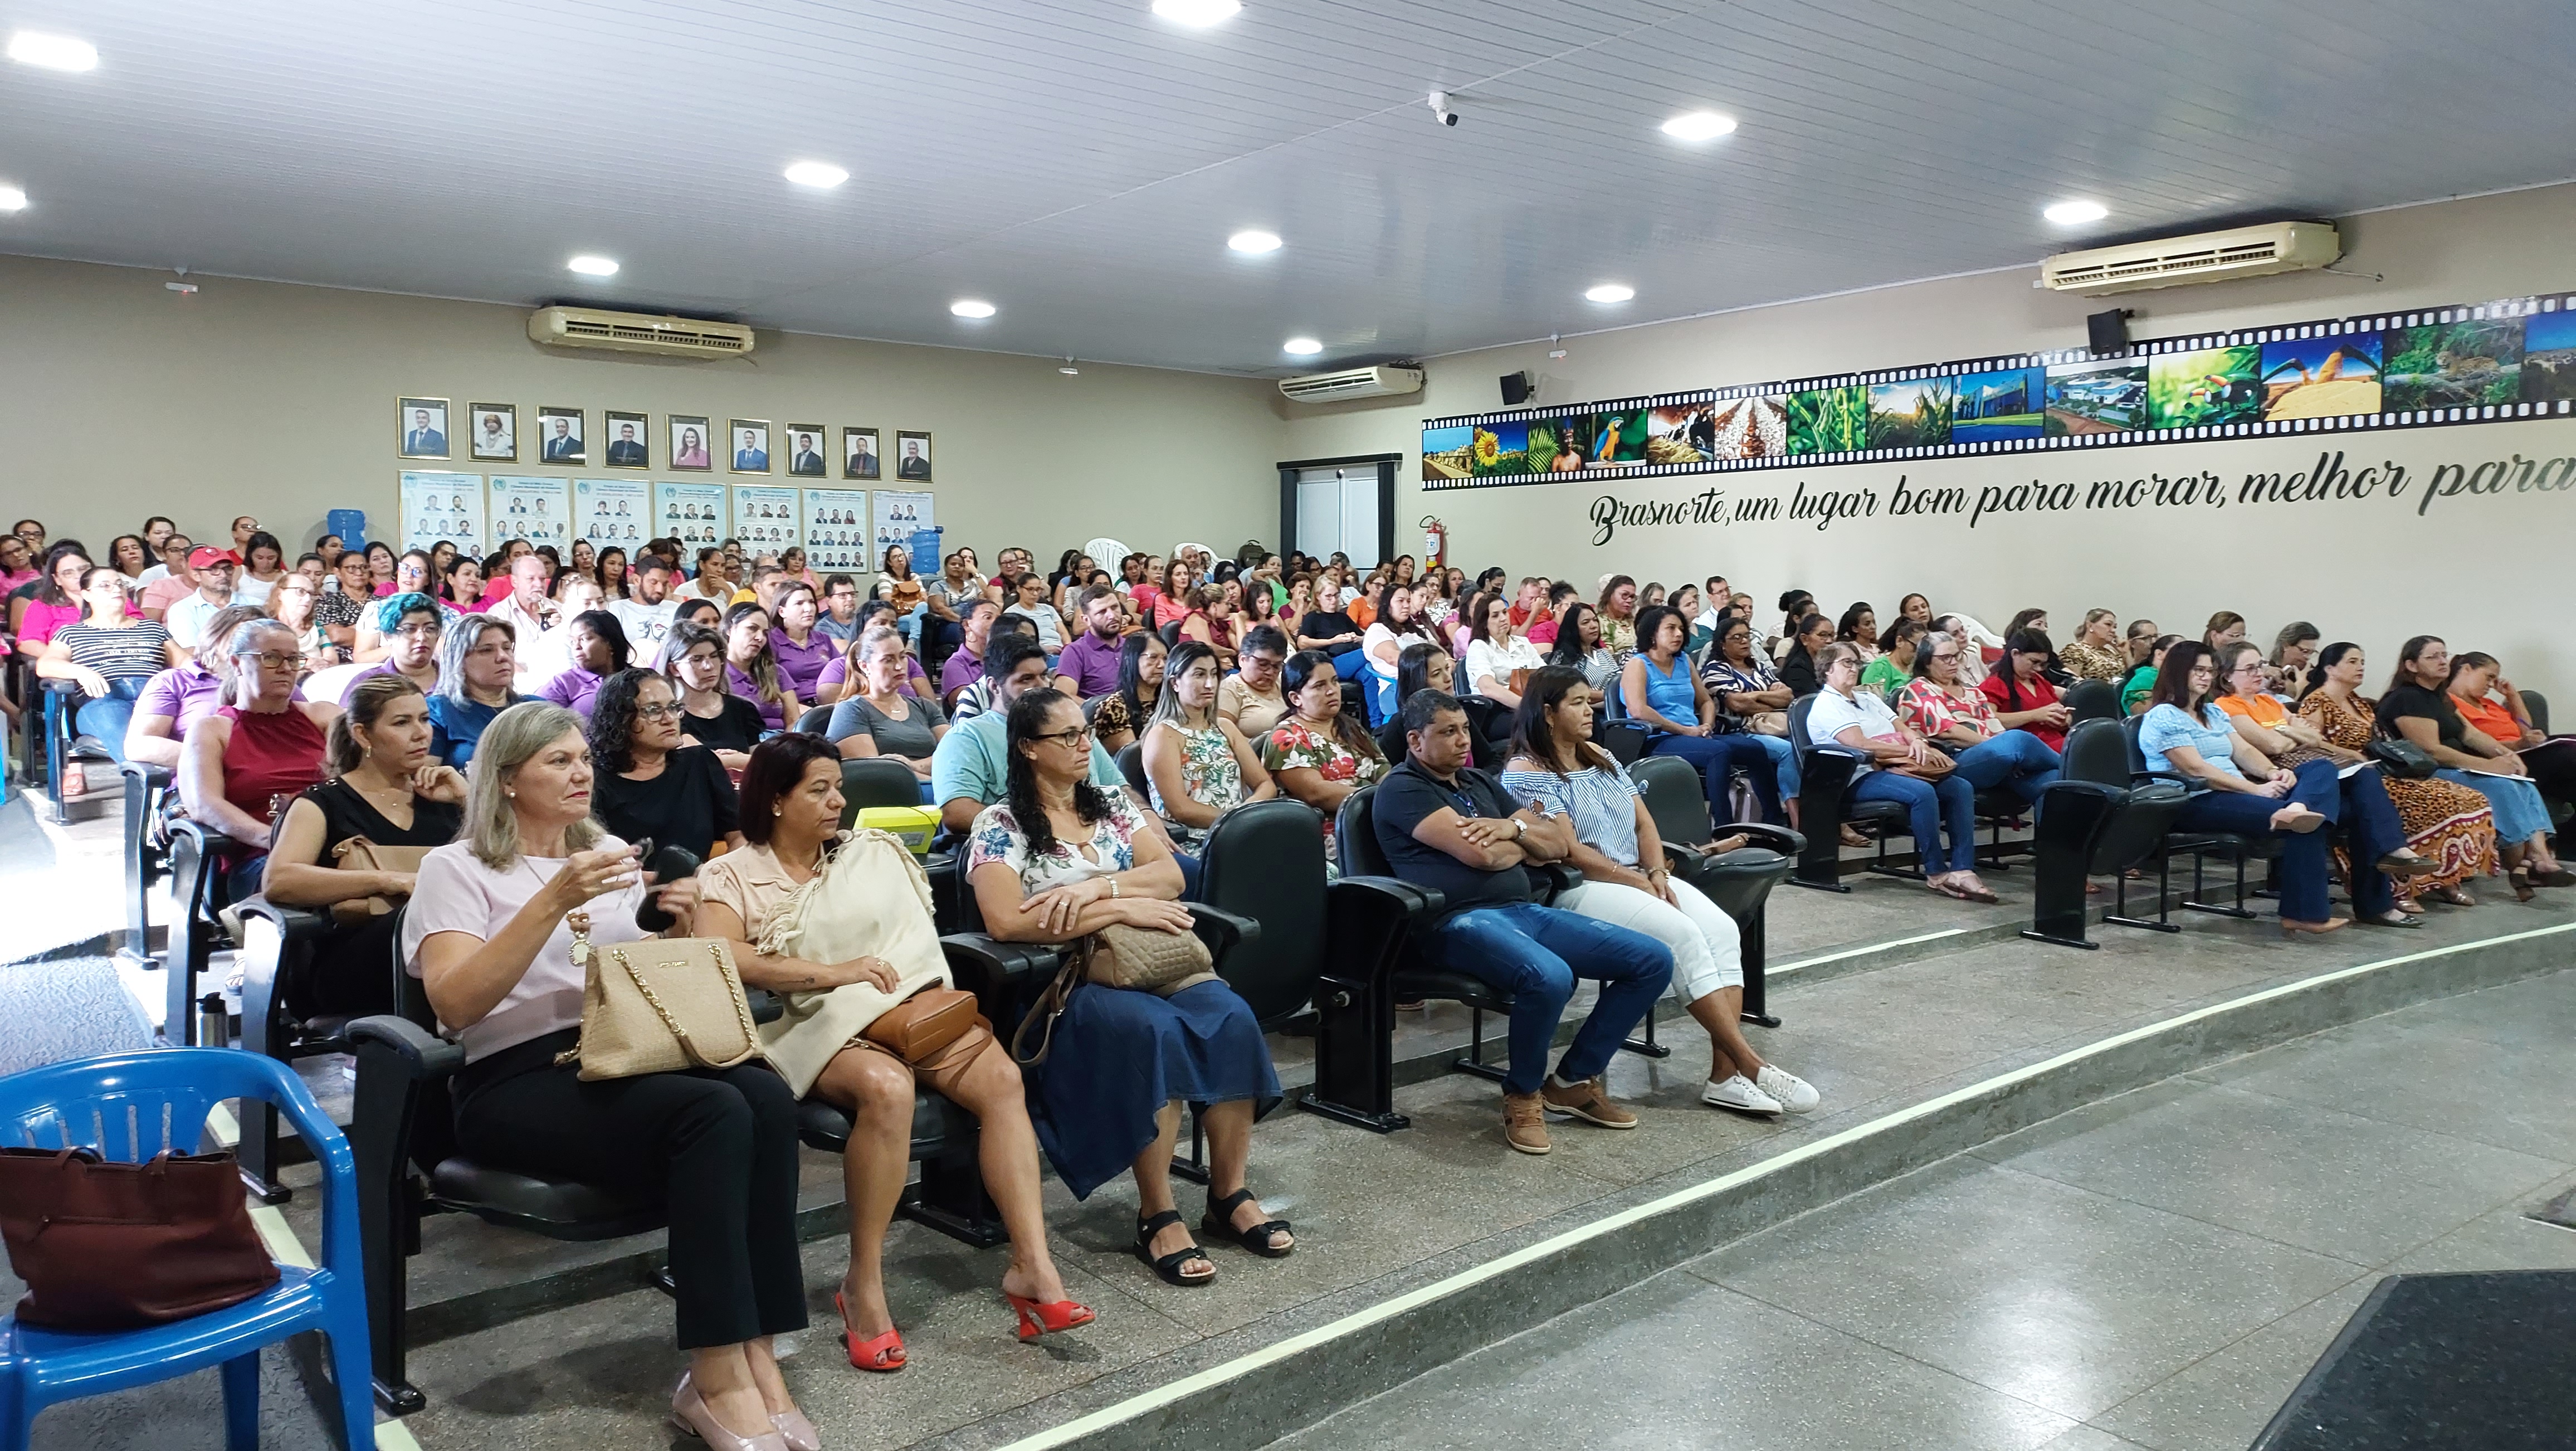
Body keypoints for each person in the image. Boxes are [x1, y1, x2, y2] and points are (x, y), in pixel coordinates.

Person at [401, 703, 812, 1448]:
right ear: (507, 778)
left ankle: (761, 1348)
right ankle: (715, 1375)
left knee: (765, 1093)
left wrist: (677, 924)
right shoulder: (454, 868)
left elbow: (627, 975)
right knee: (712, 1113)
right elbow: (455, 1004)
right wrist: (552, 900)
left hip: (616, 1052)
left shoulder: (608, 853)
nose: (581, 772)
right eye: (557, 761)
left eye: (583, 758)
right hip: (512, 1079)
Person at [695, 736, 1085, 1370]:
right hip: (807, 1018)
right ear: (774, 800)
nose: (837, 801)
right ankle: (863, 1285)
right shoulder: (730, 874)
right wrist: (833, 973)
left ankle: (1032, 1267)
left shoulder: (867, 853)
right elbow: (722, 955)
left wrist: (882, 979)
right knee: (888, 1088)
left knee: (1001, 1078)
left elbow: (909, 943)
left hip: (897, 1005)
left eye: (838, 788)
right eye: (819, 790)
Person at [966, 690, 1286, 1274]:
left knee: (1232, 1018)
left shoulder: (1111, 803)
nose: (1083, 744)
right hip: (1065, 980)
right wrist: (1119, 909)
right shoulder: (1001, 823)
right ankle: (1157, 1213)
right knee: (1153, 1031)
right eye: (1067, 736)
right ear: (1028, 748)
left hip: (1148, 958)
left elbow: (1169, 876)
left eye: (1084, 732)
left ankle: (1227, 1194)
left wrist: (1099, 890)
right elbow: (1005, 921)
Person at [1502, 668, 1819, 1116]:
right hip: (1581, 886)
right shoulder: (1526, 772)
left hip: (1637, 874)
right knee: (1681, 935)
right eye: (1577, 703)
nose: (1591, 709)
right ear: (1548, 714)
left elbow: (1643, 822)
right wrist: (1635, 879)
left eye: (1588, 701)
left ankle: (1724, 1077)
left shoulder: (1600, 755)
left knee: (1722, 930)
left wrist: (1655, 871)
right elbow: (1569, 849)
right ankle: (1750, 1063)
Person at [1373, 689, 1672, 1155]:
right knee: (1550, 977)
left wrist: (1512, 829)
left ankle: (1572, 1081)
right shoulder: (1403, 788)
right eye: (1448, 732)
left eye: (1465, 729)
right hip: (1455, 922)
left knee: (1652, 960)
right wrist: (1522, 841)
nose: (1463, 740)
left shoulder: (1478, 781)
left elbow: (1558, 844)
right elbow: (1482, 855)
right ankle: (1523, 1094)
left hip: (1523, 910)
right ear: (1415, 740)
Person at [261, 675, 467, 1015]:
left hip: (444, 944)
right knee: (422, 918)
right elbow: (279, 880)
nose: (421, 734)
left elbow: (506, 862)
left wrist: (467, 799)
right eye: (402, 723)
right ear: (362, 734)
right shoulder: (322, 802)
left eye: (424, 719)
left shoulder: (443, 797)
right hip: (349, 958)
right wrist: (389, 880)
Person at [2208, 642, 2426, 927]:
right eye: (2249, 669)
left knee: (2364, 787)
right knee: (2356, 796)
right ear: (2227, 676)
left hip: (2311, 772)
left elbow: (2314, 736)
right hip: (2276, 776)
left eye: (2260, 665)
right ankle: (2381, 887)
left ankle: (2390, 858)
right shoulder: (2227, 706)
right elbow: (2272, 746)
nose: (2259, 673)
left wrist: (2286, 734)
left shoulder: (2269, 702)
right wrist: (2290, 732)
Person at [2138, 642, 2345, 934]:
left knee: (2320, 768)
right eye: (2198, 670)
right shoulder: (2164, 716)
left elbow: (2244, 751)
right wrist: (2253, 789)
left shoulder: (2212, 712)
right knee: (2308, 822)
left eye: (2210, 671)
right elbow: (2195, 770)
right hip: (2195, 800)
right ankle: (2303, 913)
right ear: (2177, 672)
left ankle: (2297, 808)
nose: (2206, 677)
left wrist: (2272, 773)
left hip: (2234, 793)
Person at [2298, 642, 2498, 907]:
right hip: (2345, 776)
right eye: (2352, 662)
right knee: (2433, 801)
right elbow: (2310, 744)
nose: (2361, 667)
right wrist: (2351, 754)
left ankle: (2442, 878)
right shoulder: (2317, 701)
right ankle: (2400, 887)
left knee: (2469, 798)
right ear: (2330, 669)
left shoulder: (2358, 703)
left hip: (2376, 771)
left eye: (2362, 662)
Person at [2376, 636, 2568, 893]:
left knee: (2525, 785)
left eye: (2444, 655)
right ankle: (2520, 865)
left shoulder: (2440, 697)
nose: (2442, 661)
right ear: (2411, 666)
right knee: (2503, 787)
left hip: (2452, 768)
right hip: (2423, 773)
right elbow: (2431, 750)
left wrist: (2508, 756)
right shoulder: (2407, 698)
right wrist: (2488, 766)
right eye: (2432, 657)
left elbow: (2472, 735)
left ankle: (2540, 859)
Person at [1809, 642, 1996, 903]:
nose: (1854, 668)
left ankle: (1963, 868)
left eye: (1856, 663)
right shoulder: (1827, 704)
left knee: (1960, 787)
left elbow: (1902, 726)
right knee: (1922, 792)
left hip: (1893, 766)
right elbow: (1860, 745)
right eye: (1846, 663)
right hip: (1854, 776)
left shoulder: (1867, 698)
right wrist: (1907, 750)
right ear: (1827, 669)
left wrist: (1917, 742)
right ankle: (1936, 871)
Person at [179, 618, 341, 898]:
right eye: (272, 658)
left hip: (340, 846)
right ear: (237, 663)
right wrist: (277, 839)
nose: (286, 668)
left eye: (294, 659)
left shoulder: (324, 716)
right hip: (263, 858)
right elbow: (204, 805)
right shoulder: (213, 730)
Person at [1622, 605, 1783, 826]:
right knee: (1718, 752)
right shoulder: (1638, 665)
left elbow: (1706, 701)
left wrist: (1707, 724)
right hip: (1657, 738)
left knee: (1754, 749)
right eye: (1671, 628)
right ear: (1652, 634)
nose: (1678, 634)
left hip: (1694, 735)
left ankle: (1774, 822)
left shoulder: (1683, 661)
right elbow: (1639, 710)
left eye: (1681, 629)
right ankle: (1724, 827)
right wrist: (1686, 730)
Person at [587, 669, 743, 860]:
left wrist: (714, 872)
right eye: (654, 710)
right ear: (622, 719)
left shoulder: (700, 762)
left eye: (673, 707)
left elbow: (740, 836)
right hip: (629, 879)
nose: (670, 719)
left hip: (704, 877)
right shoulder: (595, 782)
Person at [1897, 629, 2061, 809]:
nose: (1954, 662)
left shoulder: (1971, 691)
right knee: (2017, 739)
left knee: (2054, 783)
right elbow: (1949, 731)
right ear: (1927, 662)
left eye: (1957, 656)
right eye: (1945, 658)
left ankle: (2066, 780)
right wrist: (1997, 746)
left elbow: (1994, 725)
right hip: (1953, 759)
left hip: (1994, 759)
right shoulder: (1919, 689)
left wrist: (2004, 752)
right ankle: (2069, 763)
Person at [1141, 641, 1277, 853]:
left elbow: (1265, 784)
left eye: (1214, 675)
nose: (1210, 684)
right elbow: (1181, 809)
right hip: (1197, 842)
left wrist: (1246, 815)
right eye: (1199, 675)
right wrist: (1236, 819)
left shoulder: (1225, 727)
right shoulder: (1163, 735)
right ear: (1175, 682)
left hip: (1242, 831)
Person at [37, 563, 182, 760]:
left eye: (120, 584)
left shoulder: (151, 628)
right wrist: (82, 672)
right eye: (106, 585)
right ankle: (157, 775)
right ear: (87, 594)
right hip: (104, 699)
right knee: (128, 741)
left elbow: (183, 661)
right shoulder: (72, 632)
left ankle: (173, 773)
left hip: (154, 696)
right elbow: (46, 664)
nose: (116, 589)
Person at [1260, 650, 1388, 871]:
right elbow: (1316, 793)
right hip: (1327, 836)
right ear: (1296, 698)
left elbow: (1384, 771)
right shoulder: (1287, 736)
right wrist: (1379, 799)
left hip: (1373, 819)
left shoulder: (1350, 727)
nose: (1332, 690)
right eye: (1319, 686)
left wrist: (1392, 797)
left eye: (1335, 681)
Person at [126, 604, 269, 767]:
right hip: (203, 774)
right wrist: (219, 760)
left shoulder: (277, 683)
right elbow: (139, 745)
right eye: (242, 637)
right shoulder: (173, 682)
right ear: (215, 638)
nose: (252, 647)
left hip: (275, 774)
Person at [2444, 650, 2576, 814]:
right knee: (2569, 754)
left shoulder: (2489, 704)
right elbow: (2473, 743)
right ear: (2467, 669)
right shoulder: (2449, 703)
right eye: (2489, 677)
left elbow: (2526, 729)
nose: (2491, 685)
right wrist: (2517, 745)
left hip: (2528, 752)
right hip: (2502, 759)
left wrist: (2513, 697)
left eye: (2494, 680)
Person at [827, 627, 948, 798]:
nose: (899, 666)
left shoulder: (925, 706)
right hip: (890, 798)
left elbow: (956, 754)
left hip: (940, 789)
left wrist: (913, 765)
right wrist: (941, 783)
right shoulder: (851, 710)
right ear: (864, 666)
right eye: (888, 660)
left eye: (903, 657)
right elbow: (876, 775)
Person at [661, 620, 765, 776]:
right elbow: (702, 761)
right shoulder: (669, 715)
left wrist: (738, 760)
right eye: (697, 659)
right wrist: (738, 760)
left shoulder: (742, 708)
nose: (709, 666)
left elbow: (763, 764)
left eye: (714, 656)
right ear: (674, 669)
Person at [428, 614, 520, 769]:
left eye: (507, 648)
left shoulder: (536, 707)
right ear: (459, 660)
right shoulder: (437, 711)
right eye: (487, 650)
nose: (502, 657)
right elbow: (426, 777)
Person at [1975, 629, 2072, 752]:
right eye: (2034, 662)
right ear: (2015, 654)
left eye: (2043, 664)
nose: (2038, 669)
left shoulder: (2038, 680)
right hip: (2031, 748)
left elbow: (2057, 709)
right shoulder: (1995, 683)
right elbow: (1989, 720)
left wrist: (2064, 719)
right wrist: (2034, 715)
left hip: (2057, 741)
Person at [1459, 590, 1544, 711]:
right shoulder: (1478, 647)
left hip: (1529, 703)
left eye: (1505, 612)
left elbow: (1545, 674)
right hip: (1495, 710)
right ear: (1484, 622)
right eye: (1495, 616)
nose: (1503, 618)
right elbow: (1488, 688)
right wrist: (1526, 708)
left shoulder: (1522, 643)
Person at [720, 601, 797, 733]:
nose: (760, 638)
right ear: (729, 629)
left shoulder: (776, 672)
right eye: (752, 628)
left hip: (780, 741)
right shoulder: (717, 674)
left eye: (765, 633)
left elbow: (793, 721)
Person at [537, 610, 629, 719]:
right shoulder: (563, 683)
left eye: (584, 639)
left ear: (610, 643)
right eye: (573, 641)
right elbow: (535, 720)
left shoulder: (635, 677)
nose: (576, 647)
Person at [1092, 632, 1166, 757]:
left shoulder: (1171, 700)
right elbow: (1134, 758)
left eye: (1165, 658)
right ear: (1131, 659)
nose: (1162, 665)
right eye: (1153, 657)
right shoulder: (1114, 707)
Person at [1217, 625, 1291, 738]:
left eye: (1276, 666)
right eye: (1263, 664)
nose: (1270, 672)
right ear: (1243, 660)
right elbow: (1223, 737)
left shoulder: (1283, 683)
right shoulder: (1229, 689)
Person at [766, 582, 834, 704]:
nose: (809, 609)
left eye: (811, 602)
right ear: (782, 612)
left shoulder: (823, 639)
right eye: (799, 603)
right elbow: (770, 687)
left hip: (829, 703)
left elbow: (842, 671)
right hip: (794, 706)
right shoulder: (771, 641)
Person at [608, 555, 680, 670]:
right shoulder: (617, 609)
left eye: (665, 584)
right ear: (637, 580)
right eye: (654, 582)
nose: (660, 590)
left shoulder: (676, 609)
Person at [1055, 586, 1128, 699]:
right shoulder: (1075, 652)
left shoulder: (1131, 645)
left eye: (1115, 607)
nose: (1112, 616)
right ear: (1086, 620)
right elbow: (1065, 697)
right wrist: (1098, 708)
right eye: (1102, 612)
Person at [1545, 601, 1620, 692]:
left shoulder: (1603, 653)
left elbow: (1621, 680)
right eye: (1586, 623)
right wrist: (1609, 695)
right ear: (1573, 628)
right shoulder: (1564, 659)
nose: (1594, 626)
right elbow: (1568, 690)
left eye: (1595, 620)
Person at [940, 598, 1003, 697]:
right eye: (988, 617)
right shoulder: (956, 664)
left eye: (999, 619)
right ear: (966, 624)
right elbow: (965, 700)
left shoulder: (1003, 658)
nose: (996, 623)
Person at [2058, 608, 2127, 684]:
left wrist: (2124, 652)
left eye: (2115, 627)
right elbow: (2073, 682)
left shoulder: (2113, 653)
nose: (2113, 630)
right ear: (2090, 625)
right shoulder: (2074, 650)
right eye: (2108, 624)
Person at [1775, 612, 1835, 698]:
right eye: (1823, 635)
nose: (1830, 641)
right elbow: (1812, 699)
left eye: (1832, 635)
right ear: (1805, 639)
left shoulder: (1834, 663)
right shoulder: (1797, 668)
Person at [1861, 619, 1925, 694]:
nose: (1918, 653)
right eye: (1915, 647)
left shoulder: (1920, 667)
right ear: (1899, 641)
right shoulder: (1880, 667)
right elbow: (1872, 699)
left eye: (1922, 649)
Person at [2123, 634, 2182, 716]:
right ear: (2159, 654)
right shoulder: (2145, 678)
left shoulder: (2183, 679)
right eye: (2179, 652)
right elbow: (2143, 715)